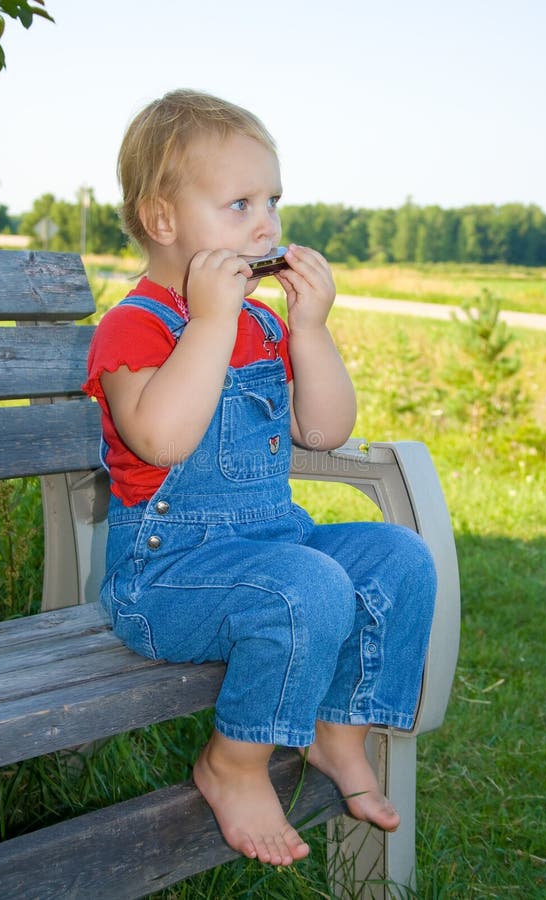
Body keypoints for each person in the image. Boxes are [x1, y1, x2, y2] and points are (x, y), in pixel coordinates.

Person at [84, 88, 436, 868]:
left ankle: (336, 731)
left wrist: (310, 330)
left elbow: (325, 430)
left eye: (273, 200)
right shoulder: (135, 326)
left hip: (276, 548)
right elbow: (163, 437)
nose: (268, 225)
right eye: (239, 203)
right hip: (167, 581)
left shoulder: (264, 323)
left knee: (399, 558)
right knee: (307, 583)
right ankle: (232, 764)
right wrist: (210, 323)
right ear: (163, 220)